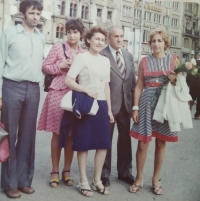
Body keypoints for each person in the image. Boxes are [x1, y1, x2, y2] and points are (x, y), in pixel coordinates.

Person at [0, 0, 44, 198]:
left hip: (33, 89)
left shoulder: (40, 37)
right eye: (32, 12)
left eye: (38, 13)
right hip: (11, 87)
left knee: (28, 136)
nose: (35, 16)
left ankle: (24, 180)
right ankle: (9, 183)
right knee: (9, 135)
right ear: (23, 14)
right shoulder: (9, 34)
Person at [65, 26, 114, 197]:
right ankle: (83, 181)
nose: (100, 42)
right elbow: (68, 80)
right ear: (88, 40)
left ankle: (97, 180)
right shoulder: (82, 57)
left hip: (101, 105)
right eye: (97, 39)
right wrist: (86, 90)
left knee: (103, 144)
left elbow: (106, 86)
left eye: (102, 39)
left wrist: (109, 109)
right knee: (84, 144)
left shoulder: (105, 60)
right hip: (86, 104)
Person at [130, 28, 180, 195]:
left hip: (165, 103)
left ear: (165, 44)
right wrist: (135, 107)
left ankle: (155, 179)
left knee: (160, 142)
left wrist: (175, 81)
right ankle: (139, 178)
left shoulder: (174, 60)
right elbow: (139, 86)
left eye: (160, 41)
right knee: (143, 142)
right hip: (146, 103)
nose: (156, 44)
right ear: (150, 43)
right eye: (153, 41)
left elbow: (181, 86)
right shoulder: (144, 61)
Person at [37, 19, 84, 188]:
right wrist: (60, 65)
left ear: (81, 34)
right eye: (69, 32)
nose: (72, 35)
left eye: (75, 32)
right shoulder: (58, 48)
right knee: (57, 133)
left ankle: (67, 171)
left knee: (71, 134)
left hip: (75, 95)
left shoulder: (83, 53)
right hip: (58, 93)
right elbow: (45, 67)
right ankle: (55, 171)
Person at [100, 25, 136, 187]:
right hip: (108, 105)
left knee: (125, 140)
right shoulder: (102, 55)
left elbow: (133, 83)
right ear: (109, 37)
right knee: (105, 140)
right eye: (116, 36)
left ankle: (124, 172)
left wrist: (135, 106)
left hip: (125, 106)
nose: (120, 39)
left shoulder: (128, 55)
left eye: (121, 36)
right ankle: (104, 173)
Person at [187, 54, 200, 119]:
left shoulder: (192, 63)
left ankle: (188, 113)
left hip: (192, 83)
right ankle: (197, 114)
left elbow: (188, 73)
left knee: (191, 98)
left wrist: (187, 83)